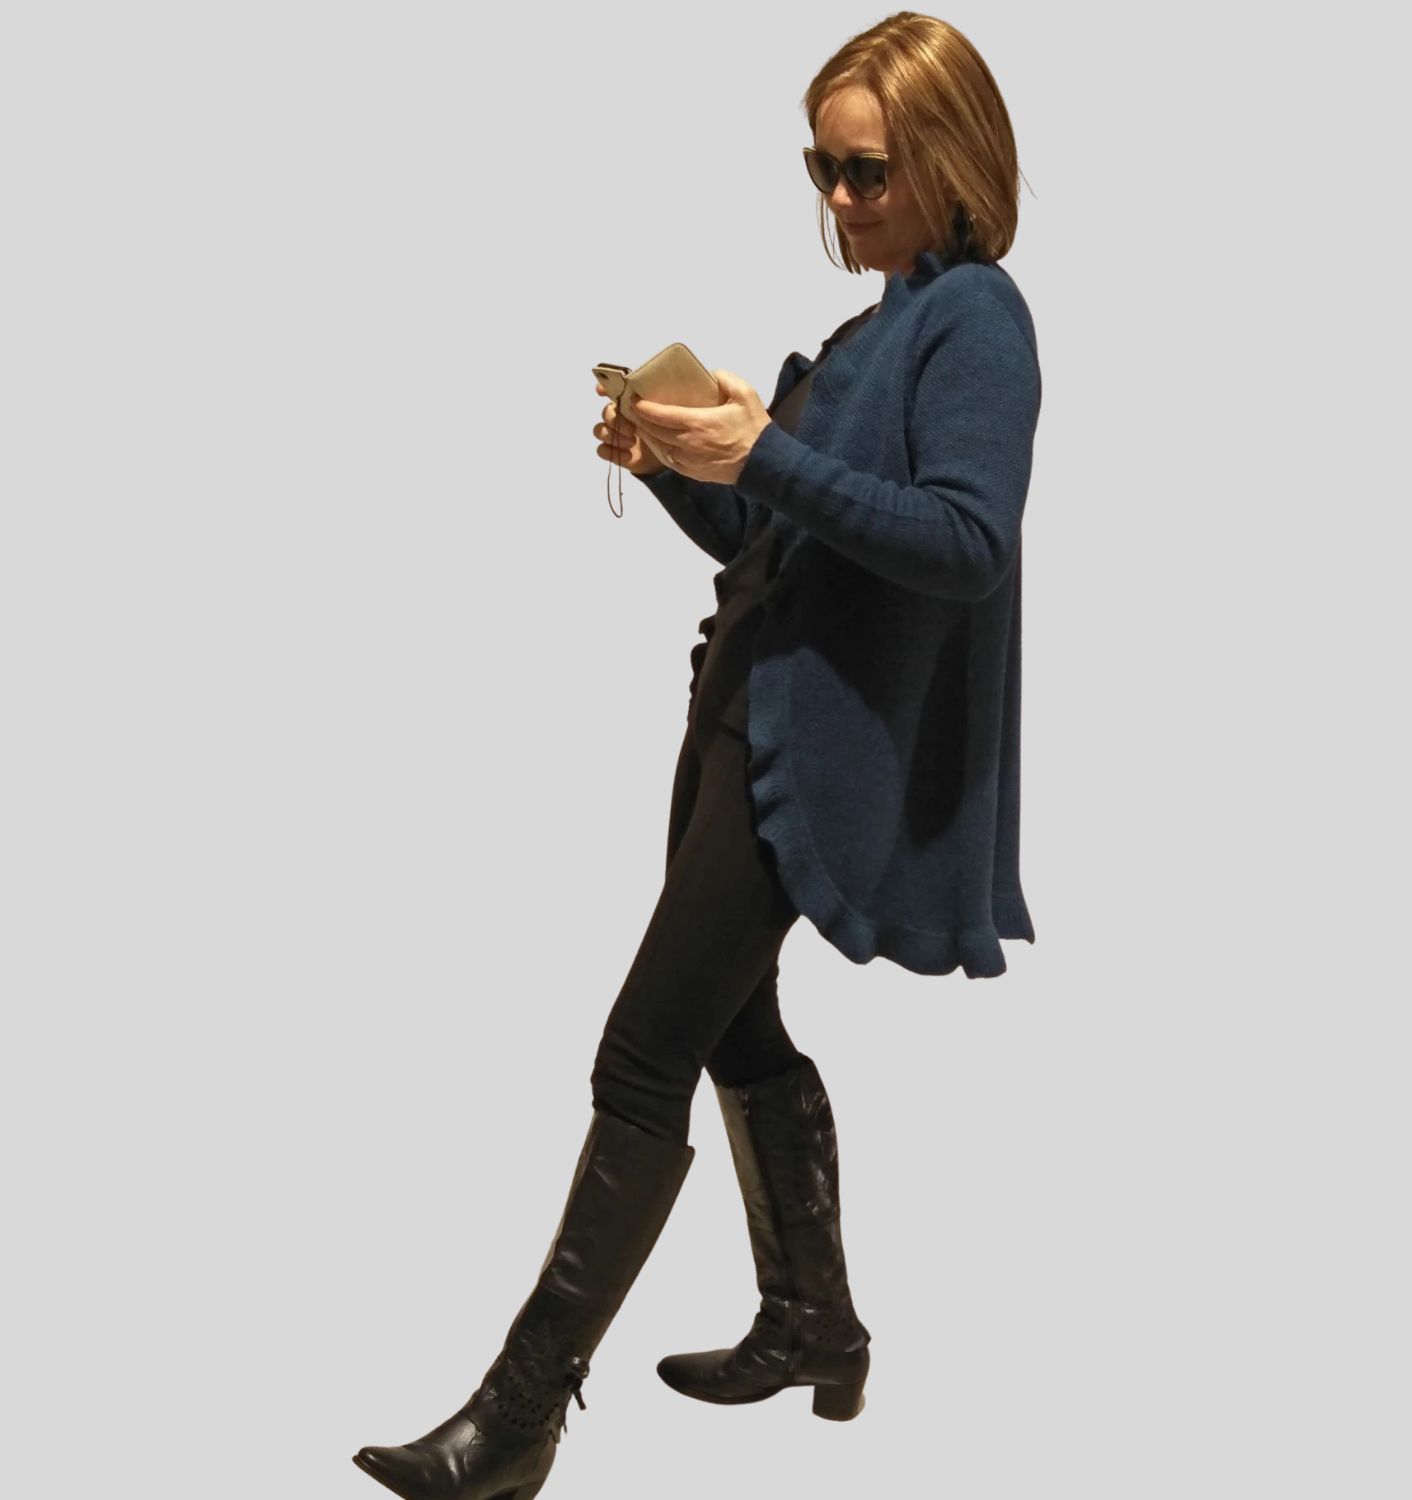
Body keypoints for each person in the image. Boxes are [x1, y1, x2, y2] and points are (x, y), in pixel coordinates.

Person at [352, 13, 1041, 1499]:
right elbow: (778, 538)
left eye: (868, 170)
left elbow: (967, 541)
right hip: (745, 718)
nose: (841, 198)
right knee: (731, 1027)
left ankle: (517, 1417)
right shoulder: (875, 328)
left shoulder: (976, 320)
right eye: (823, 168)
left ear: (950, 158)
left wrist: (763, 451)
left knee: (645, 1047)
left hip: (814, 751)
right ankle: (816, 1320)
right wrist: (681, 468)